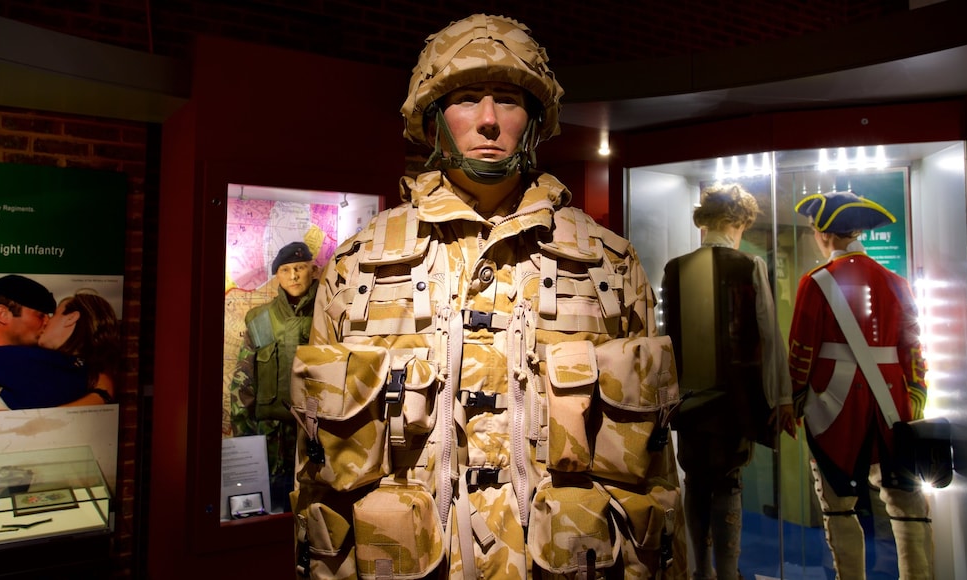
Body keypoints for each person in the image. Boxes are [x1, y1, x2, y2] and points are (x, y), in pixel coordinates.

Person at [289, 14, 686, 579]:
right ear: (433, 123)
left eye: (508, 99)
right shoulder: (360, 267)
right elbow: (317, 472)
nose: (489, 121)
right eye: (467, 99)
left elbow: (655, 468)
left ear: (534, 121)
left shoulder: (607, 264)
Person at [788, 190, 932, 579]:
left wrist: (795, 398)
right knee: (905, 502)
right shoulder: (895, 281)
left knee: (838, 504)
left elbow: (801, 350)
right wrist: (916, 393)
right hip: (893, 401)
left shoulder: (815, 282)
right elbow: (912, 345)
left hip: (835, 408)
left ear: (823, 233)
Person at [661, 183, 795, 580]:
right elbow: (769, 337)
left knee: (697, 481)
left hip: (688, 400)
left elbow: (668, 341)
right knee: (729, 482)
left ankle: (700, 571)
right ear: (737, 222)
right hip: (735, 399)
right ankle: (728, 571)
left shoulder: (674, 267)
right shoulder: (747, 265)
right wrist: (780, 398)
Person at [229, 241, 319, 513]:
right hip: (270, 446)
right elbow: (243, 385)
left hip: (316, 440)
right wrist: (245, 447)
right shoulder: (262, 319)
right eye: (286, 269)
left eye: (300, 268)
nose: (293, 276)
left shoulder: (326, 315)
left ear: (312, 270)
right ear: (277, 275)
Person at [0, 281, 120, 412]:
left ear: (71, 318)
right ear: (2, 314)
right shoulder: (90, 371)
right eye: (41, 315)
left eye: (53, 315)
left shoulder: (39, 364)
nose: (47, 321)